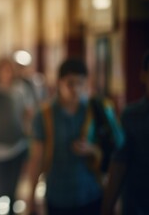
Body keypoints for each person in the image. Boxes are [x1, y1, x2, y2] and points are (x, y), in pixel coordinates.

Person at [26, 58, 123, 215]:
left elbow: (116, 148)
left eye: (81, 83)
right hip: (57, 196)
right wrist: (31, 197)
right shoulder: (44, 115)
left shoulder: (96, 110)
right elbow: (36, 158)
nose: (76, 89)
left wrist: (92, 149)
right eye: (70, 83)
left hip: (91, 192)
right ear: (59, 83)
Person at [0, 57, 34, 215]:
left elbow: (28, 113)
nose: (6, 73)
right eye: (3, 70)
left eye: (9, 70)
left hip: (18, 145)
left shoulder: (20, 90)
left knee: (13, 192)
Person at [101, 51, 149, 215]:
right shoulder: (131, 115)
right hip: (137, 203)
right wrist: (107, 207)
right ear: (144, 75)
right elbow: (119, 162)